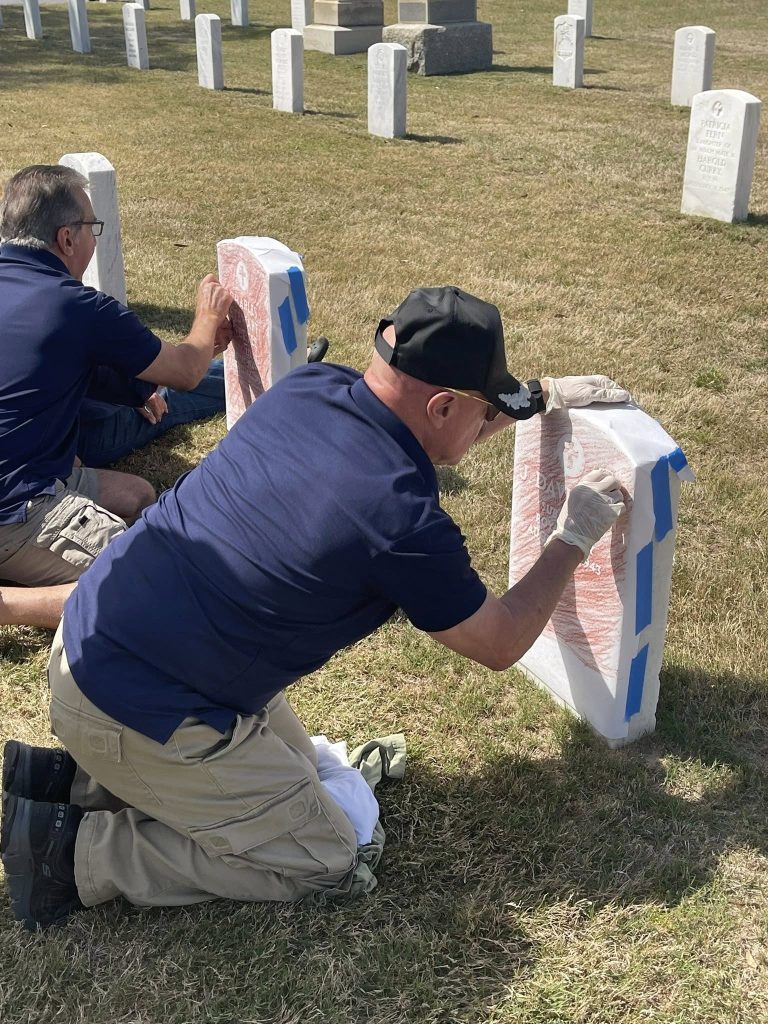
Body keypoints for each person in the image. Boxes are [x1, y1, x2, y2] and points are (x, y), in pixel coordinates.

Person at [0, 285, 629, 930]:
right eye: (482, 407)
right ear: (442, 404)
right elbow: (499, 642)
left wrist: (536, 399)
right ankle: (72, 851)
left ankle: (70, 781)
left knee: (308, 779)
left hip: (100, 643)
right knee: (323, 851)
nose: (487, 419)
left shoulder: (311, 389)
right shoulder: (399, 518)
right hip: (138, 702)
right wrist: (570, 540)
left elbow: (426, 417)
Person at [0, 164, 233, 623]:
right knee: (153, 581)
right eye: (92, 228)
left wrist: (141, 385)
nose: (94, 239)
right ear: (67, 238)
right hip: (14, 508)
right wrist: (207, 319)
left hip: (34, 474)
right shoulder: (76, 305)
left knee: (138, 495)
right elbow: (185, 371)